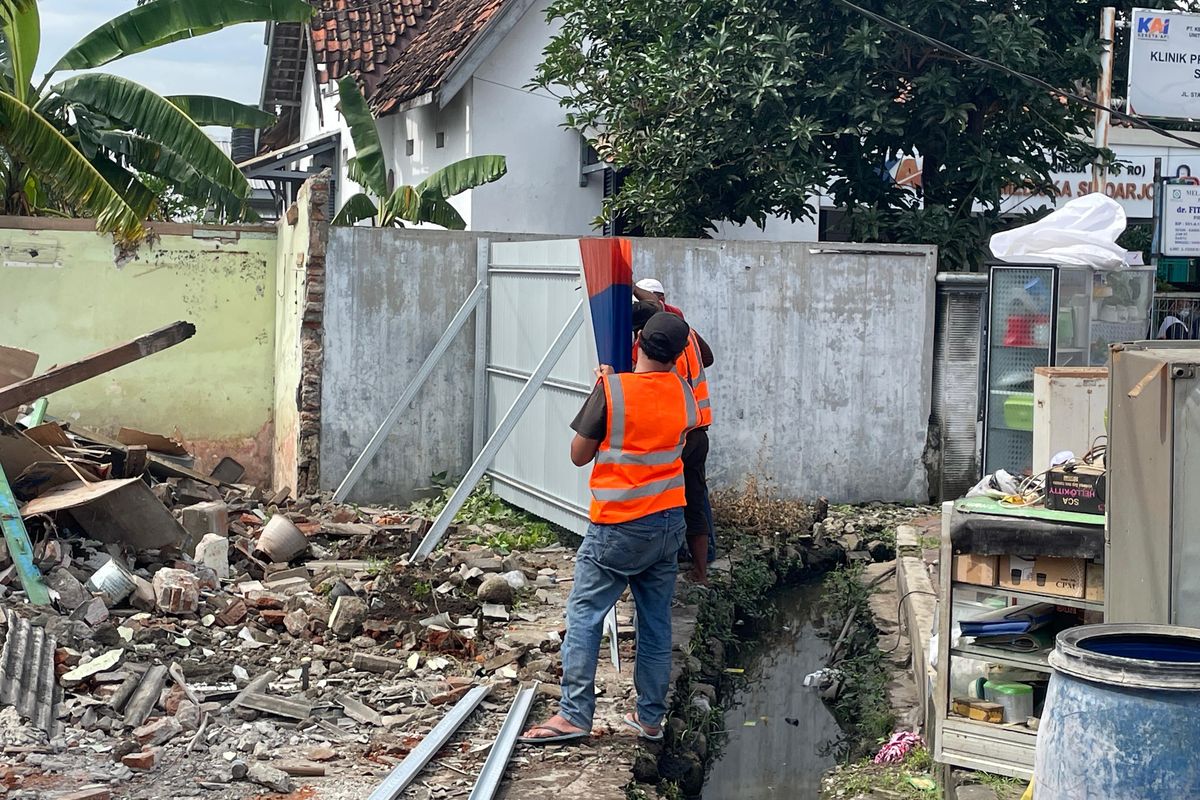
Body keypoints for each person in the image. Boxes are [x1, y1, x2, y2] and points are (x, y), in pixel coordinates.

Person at [519, 312, 698, 745]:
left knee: (585, 616)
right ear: (678, 355)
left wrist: (603, 389)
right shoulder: (685, 392)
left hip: (618, 529)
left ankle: (574, 716)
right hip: (668, 524)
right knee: (656, 624)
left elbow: (579, 455)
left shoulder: (613, 390)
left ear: (637, 342)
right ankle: (649, 719)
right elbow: (670, 427)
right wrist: (615, 385)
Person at [631, 301, 715, 583]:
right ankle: (700, 572)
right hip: (699, 428)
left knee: (661, 501)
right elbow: (709, 358)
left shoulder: (654, 346)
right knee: (694, 500)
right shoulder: (687, 334)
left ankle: (655, 568)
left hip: (674, 431)